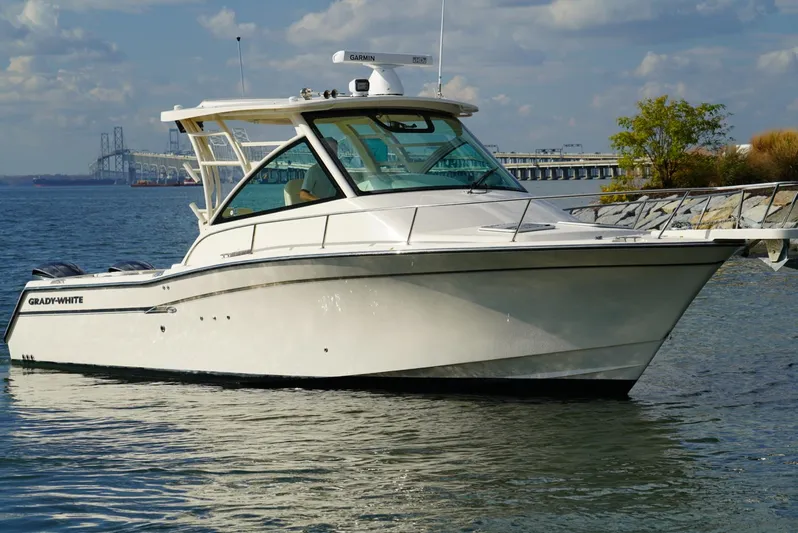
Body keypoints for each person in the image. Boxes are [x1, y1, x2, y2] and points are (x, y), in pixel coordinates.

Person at [300, 137, 339, 202]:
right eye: (331, 148)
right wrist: (320, 201)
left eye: (336, 148)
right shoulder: (314, 171)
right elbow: (303, 194)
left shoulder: (339, 169)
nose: (334, 151)